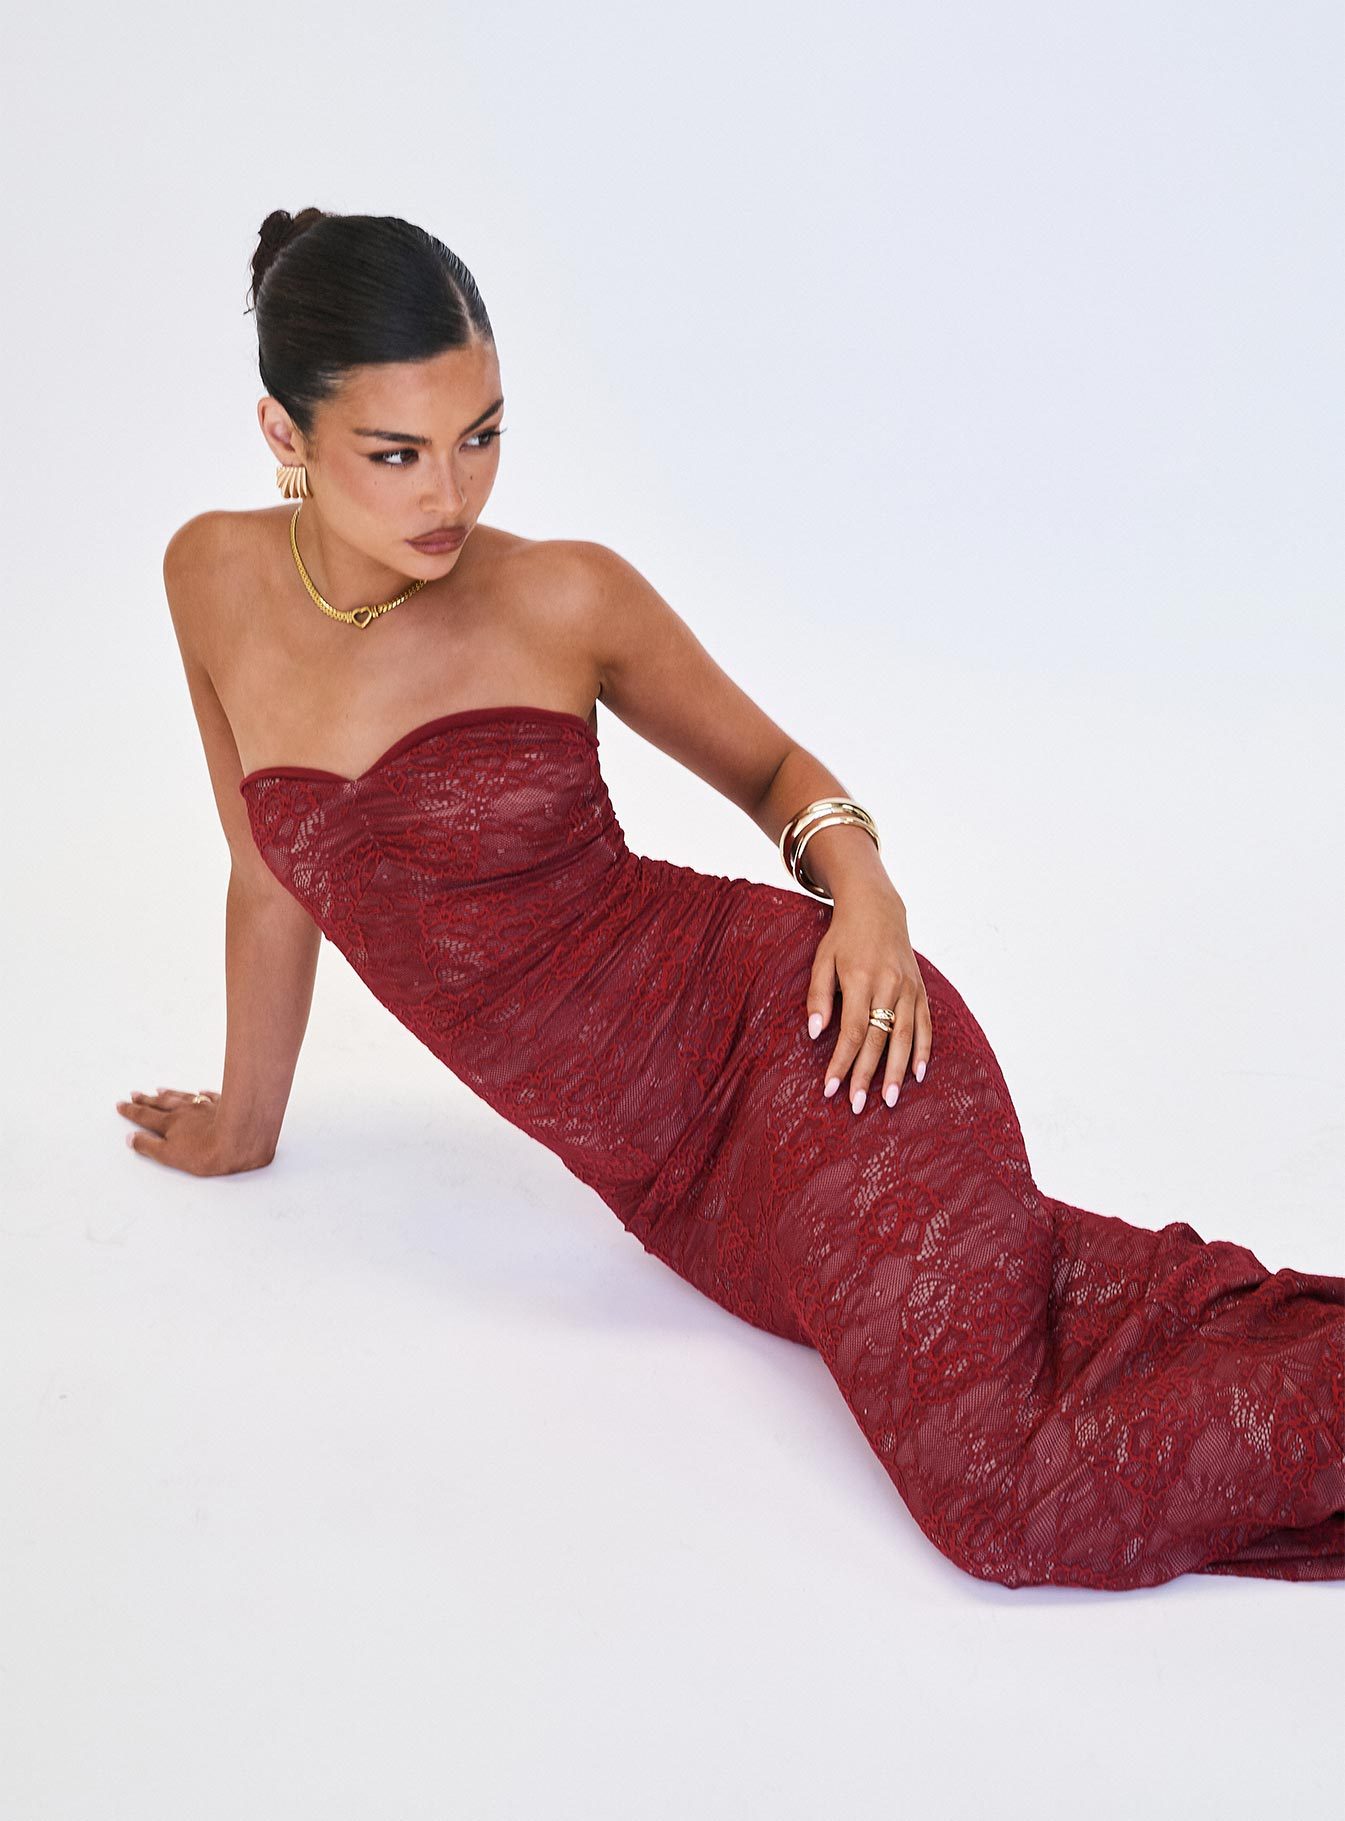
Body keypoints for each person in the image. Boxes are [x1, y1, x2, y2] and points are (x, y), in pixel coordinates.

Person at [115, 208, 1344, 1591]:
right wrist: (244, 1127)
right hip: (681, 1194)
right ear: (283, 434)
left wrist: (867, 894)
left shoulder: (561, 595)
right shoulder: (207, 577)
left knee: (1002, 1501)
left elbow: (769, 770)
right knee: (1052, 1331)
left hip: (813, 1047)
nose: (450, 493)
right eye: (395, 453)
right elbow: (265, 873)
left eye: (482, 435)